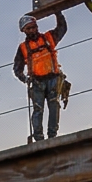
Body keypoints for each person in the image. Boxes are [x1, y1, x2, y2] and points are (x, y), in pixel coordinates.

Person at [13, 12, 69, 142]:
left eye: (33, 27)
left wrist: (58, 13)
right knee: (38, 110)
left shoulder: (49, 37)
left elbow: (62, 28)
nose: (32, 30)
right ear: (24, 30)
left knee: (54, 106)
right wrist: (25, 79)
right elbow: (17, 68)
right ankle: (38, 138)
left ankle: (52, 135)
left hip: (53, 79)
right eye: (29, 28)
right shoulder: (22, 48)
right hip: (37, 82)